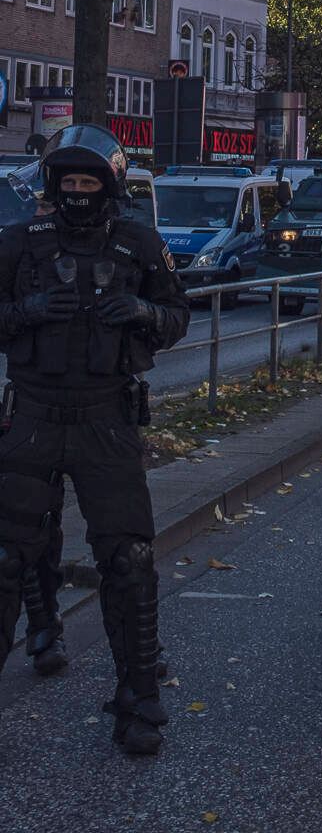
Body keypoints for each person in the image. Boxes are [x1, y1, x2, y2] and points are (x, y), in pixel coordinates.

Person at [0, 126, 189, 754]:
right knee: (8, 557)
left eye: (89, 182)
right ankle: (40, 637)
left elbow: (177, 315)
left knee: (129, 560)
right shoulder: (18, 244)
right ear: (53, 185)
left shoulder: (138, 241)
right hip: (31, 417)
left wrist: (143, 316)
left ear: (108, 185)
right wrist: (23, 314)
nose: (78, 192)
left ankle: (138, 700)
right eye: (69, 182)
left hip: (106, 418)